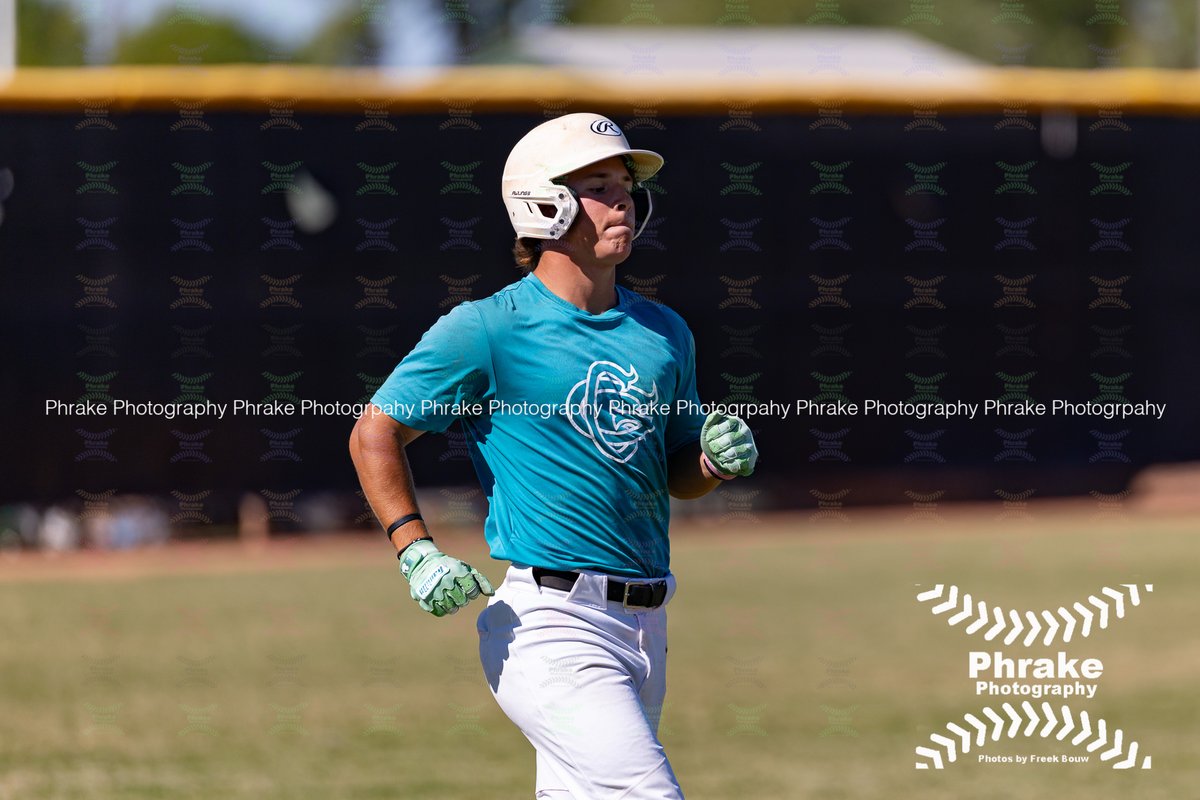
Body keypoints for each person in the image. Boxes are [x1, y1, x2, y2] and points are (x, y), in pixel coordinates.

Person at [349, 112, 758, 799]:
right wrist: (413, 548)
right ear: (546, 203)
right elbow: (374, 431)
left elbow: (678, 474)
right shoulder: (486, 329)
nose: (622, 198)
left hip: (646, 623)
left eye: (625, 184)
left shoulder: (666, 333)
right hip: (551, 626)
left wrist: (711, 463)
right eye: (598, 184)